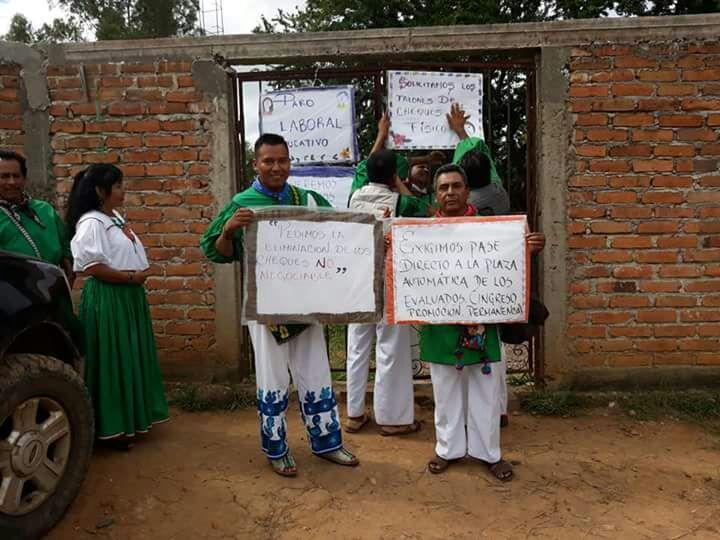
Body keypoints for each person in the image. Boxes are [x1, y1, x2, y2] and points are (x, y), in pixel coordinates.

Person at [201, 133, 359, 477]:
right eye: (268, 161)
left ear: (290, 162)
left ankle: (328, 443)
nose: (276, 167)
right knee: (272, 377)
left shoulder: (307, 199)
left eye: (282, 160)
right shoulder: (243, 203)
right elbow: (216, 250)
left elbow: (341, 235)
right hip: (267, 307)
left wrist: (371, 232)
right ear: (255, 164)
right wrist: (228, 231)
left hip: (306, 304)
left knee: (316, 369)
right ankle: (276, 448)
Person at [420, 163, 544, 481]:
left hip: (483, 321)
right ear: (435, 195)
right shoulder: (420, 233)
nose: (450, 192)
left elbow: (508, 263)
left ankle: (488, 452)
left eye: (456, 186)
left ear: (467, 190)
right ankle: (447, 449)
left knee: (486, 391)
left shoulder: (494, 229)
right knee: (445, 390)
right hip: (441, 325)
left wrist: (527, 249)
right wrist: (395, 250)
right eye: (443, 187)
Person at [66, 164, 169, 450]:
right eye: (119, 186)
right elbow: (92, 266)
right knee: (114, 360)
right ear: (101, 191)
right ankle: (112, 428)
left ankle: (131, 420)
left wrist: (136, 278)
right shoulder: (91, 223)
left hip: (128, 298)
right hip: (110, 299)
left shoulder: (114, 218)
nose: (124, 191)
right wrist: (131, 277)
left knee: (129, 357)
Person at [345, 149, 425, 436]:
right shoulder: (400, 201)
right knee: (390, 348)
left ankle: (354, 414)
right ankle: (392, 418)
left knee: (357, 347)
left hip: (358, 282)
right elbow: (425, 209)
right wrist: (400, 184)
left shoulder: (353, 197)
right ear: (394, 175)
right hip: (390, 281)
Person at [0, 150, 73, 278]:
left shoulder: (44, 210)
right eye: (4, 176)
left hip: (51, 290)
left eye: (16, 176)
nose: (11, 182)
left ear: (24, 179)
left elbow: (65, 248)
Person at [447, 103, 511, 216]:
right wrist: (461, 131)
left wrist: (460, 130)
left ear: (464, 182)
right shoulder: (498, 190)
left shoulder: (462, 206)